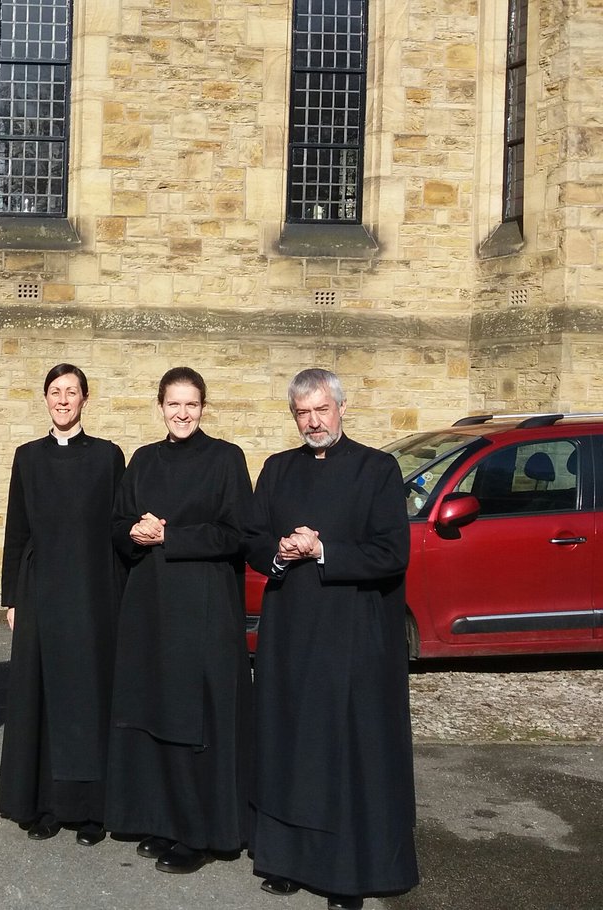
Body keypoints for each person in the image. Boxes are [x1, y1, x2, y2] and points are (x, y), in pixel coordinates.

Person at [245, 368, 418, 910]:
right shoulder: (276, 469)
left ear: (341, 408)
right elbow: (251, 540)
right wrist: (280, 551)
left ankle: (347, 876)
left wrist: (322, 552)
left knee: (344, 754)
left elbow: (393, 554)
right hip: (290, 635)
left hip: (353, 638)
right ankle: (285, 860)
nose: (313, 422)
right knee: (290, 746)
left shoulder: (377, 469)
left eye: (322, 410)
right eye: (303, 413)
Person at [104, 367, 253, 875]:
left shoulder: (226, 459)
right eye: (173, 404)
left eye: (191, 404)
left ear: (203, 407)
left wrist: (171, 536)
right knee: (155, 714)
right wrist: (136, 532)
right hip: (150, 607)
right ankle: (161, 819)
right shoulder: (144, 460)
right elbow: (117, 525)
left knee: (196, 722)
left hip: (204, 611)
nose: (182, 413)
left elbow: (237, 534)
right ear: (161, 406)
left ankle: (201, 832)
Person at [0, 364, 126, 846]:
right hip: (41, 590)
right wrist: (11, 597)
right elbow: (16, 529)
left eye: (72, 392)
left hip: (94, 592)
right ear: (45, 399)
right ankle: (45, 804)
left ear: (86, 399)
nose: (63, 400)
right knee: (42, 695)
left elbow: (119, 527)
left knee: (90, 696)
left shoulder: (110, 457)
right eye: (55, 392)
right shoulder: (27, 457)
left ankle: (90, 810)